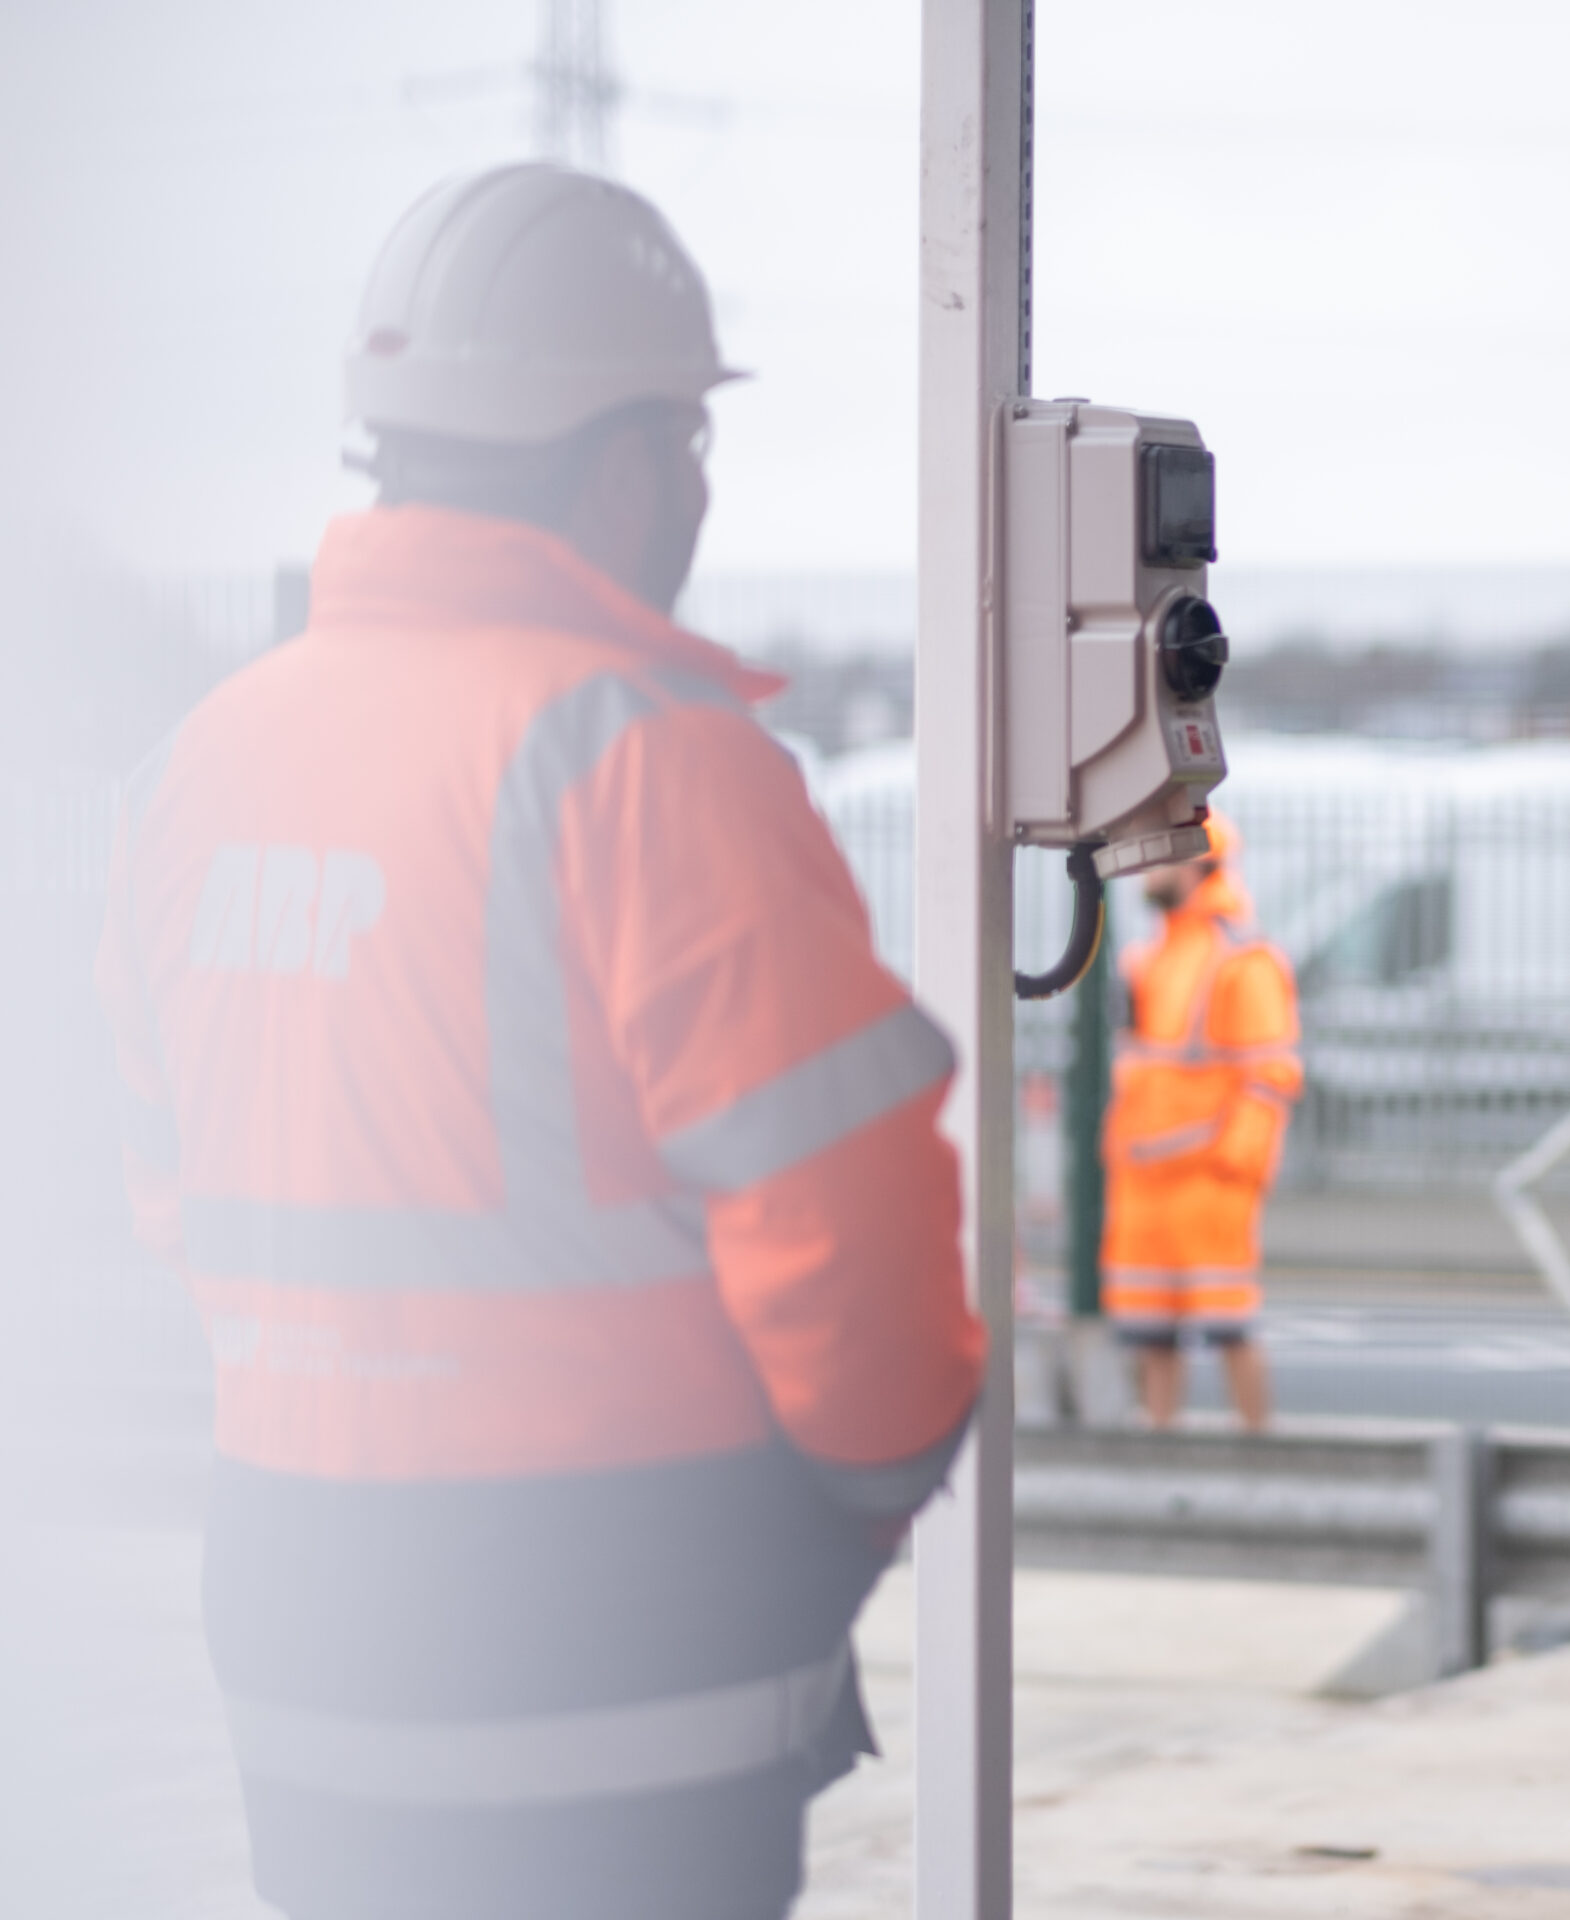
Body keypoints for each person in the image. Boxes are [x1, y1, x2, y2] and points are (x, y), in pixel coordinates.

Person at [91, 163, 984, 1920]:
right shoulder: (653, 760)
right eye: (688, 442)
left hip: (295, 1594)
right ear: (629, 456)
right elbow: (858, 1250)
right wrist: (845, 1517)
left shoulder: (206, 762)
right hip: (614, 1616)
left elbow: (169, 1185)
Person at [1101, 810, 1301, 1430]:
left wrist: (1236, 1170)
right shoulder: (1151, 956)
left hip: (1204, 1181)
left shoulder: (1239, 959)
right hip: (1144, 1180)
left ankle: (1260, 1457)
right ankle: (1161, 1463)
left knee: (1229, 1327)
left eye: (1158, 855)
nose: (1145, 869)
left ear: (1195, 862)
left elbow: (1269, 1076)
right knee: (1150, 1337)